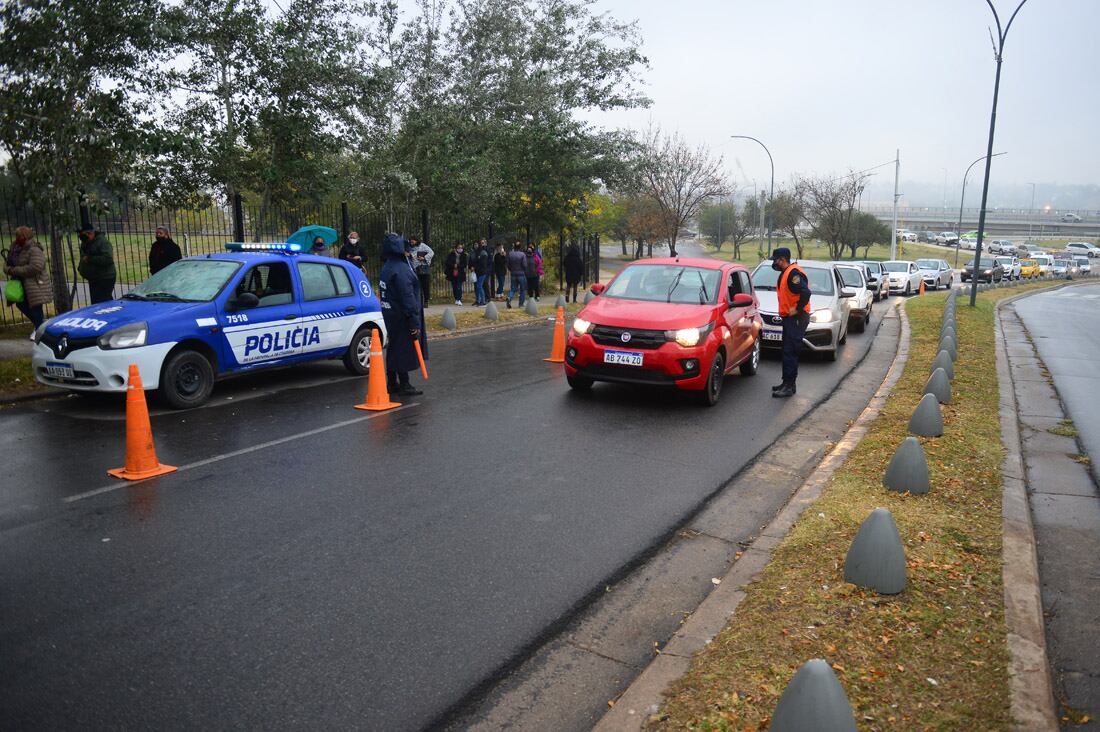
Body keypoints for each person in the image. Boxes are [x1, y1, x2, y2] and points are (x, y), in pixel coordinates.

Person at [379, 233, 427, 396]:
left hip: (390, 314)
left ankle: (392, 382)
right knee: (403, 349)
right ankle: (404, 384)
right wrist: (414, 322)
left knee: (394, 348)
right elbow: (408, 298)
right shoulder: (401, 270)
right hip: (402, 316)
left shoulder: (387, 267)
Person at [770, 247, 812, 398]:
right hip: (790, 318)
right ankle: (787, 383)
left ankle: (788, 386)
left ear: (782, 259)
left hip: (797, 318)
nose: (774, 263)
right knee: (787, 350)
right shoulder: (786, 273)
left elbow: (806, 292)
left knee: (791, 351)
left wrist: (798, 309)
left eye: (775, 260)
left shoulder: (793, 273)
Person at [3, 226, 53, 328]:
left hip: (34, 284)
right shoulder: (14, 249)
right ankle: (40, 326)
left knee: (35, 308)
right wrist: (7, 269)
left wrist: (14, 270)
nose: (17, 238)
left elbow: (35, 267)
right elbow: (8, 263)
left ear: (26, 236)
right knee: (20, 304)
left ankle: (40, 329)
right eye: (16, 235)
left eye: (19, 236)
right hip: (19, 283)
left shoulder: (34, 249)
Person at [76, 223, 116, 304]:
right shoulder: (86, 243)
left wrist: (90, 259)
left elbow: (108, 259)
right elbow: (83, 256)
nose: (81, 238)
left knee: (103, 302)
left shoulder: (102, 242)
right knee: (99, 301)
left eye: (83, 235)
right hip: (94, 277)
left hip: (105, 277)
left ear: (90, 233)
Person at [410, 237, 434, 303]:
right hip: (415, 268)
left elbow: (431, 252)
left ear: (416, 241)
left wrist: (424, 258)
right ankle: (419, 301)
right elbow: (412, 256)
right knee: (417, 285)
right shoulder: (410, 248)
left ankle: (426, 300)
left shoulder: (423, 246)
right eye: (411, 242)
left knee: (425, 285)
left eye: (413, 242)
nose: (411, 243)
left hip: (424, 268)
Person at [506, 241, 527, 308]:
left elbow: (508, 265)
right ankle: (521, 304)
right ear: (520, 247)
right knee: (522, 289)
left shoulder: (510, 254)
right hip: (521, 274)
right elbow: (524, 265)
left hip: (513, 274)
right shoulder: (522, 254)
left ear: (514, 246)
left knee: (513, 288)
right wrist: (524, 270)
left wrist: (511, 270)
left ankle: (509, 297)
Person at [473, 239, 491, 306]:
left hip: (482, 272)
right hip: (478, 272)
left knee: (480, 286)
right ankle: (480, 300)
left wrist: (476, 264)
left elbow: (483, 263)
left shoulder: (483, 253)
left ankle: (483, 301)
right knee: (479, 286)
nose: (476, 246)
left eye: (478, 244)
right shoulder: (477, 252)